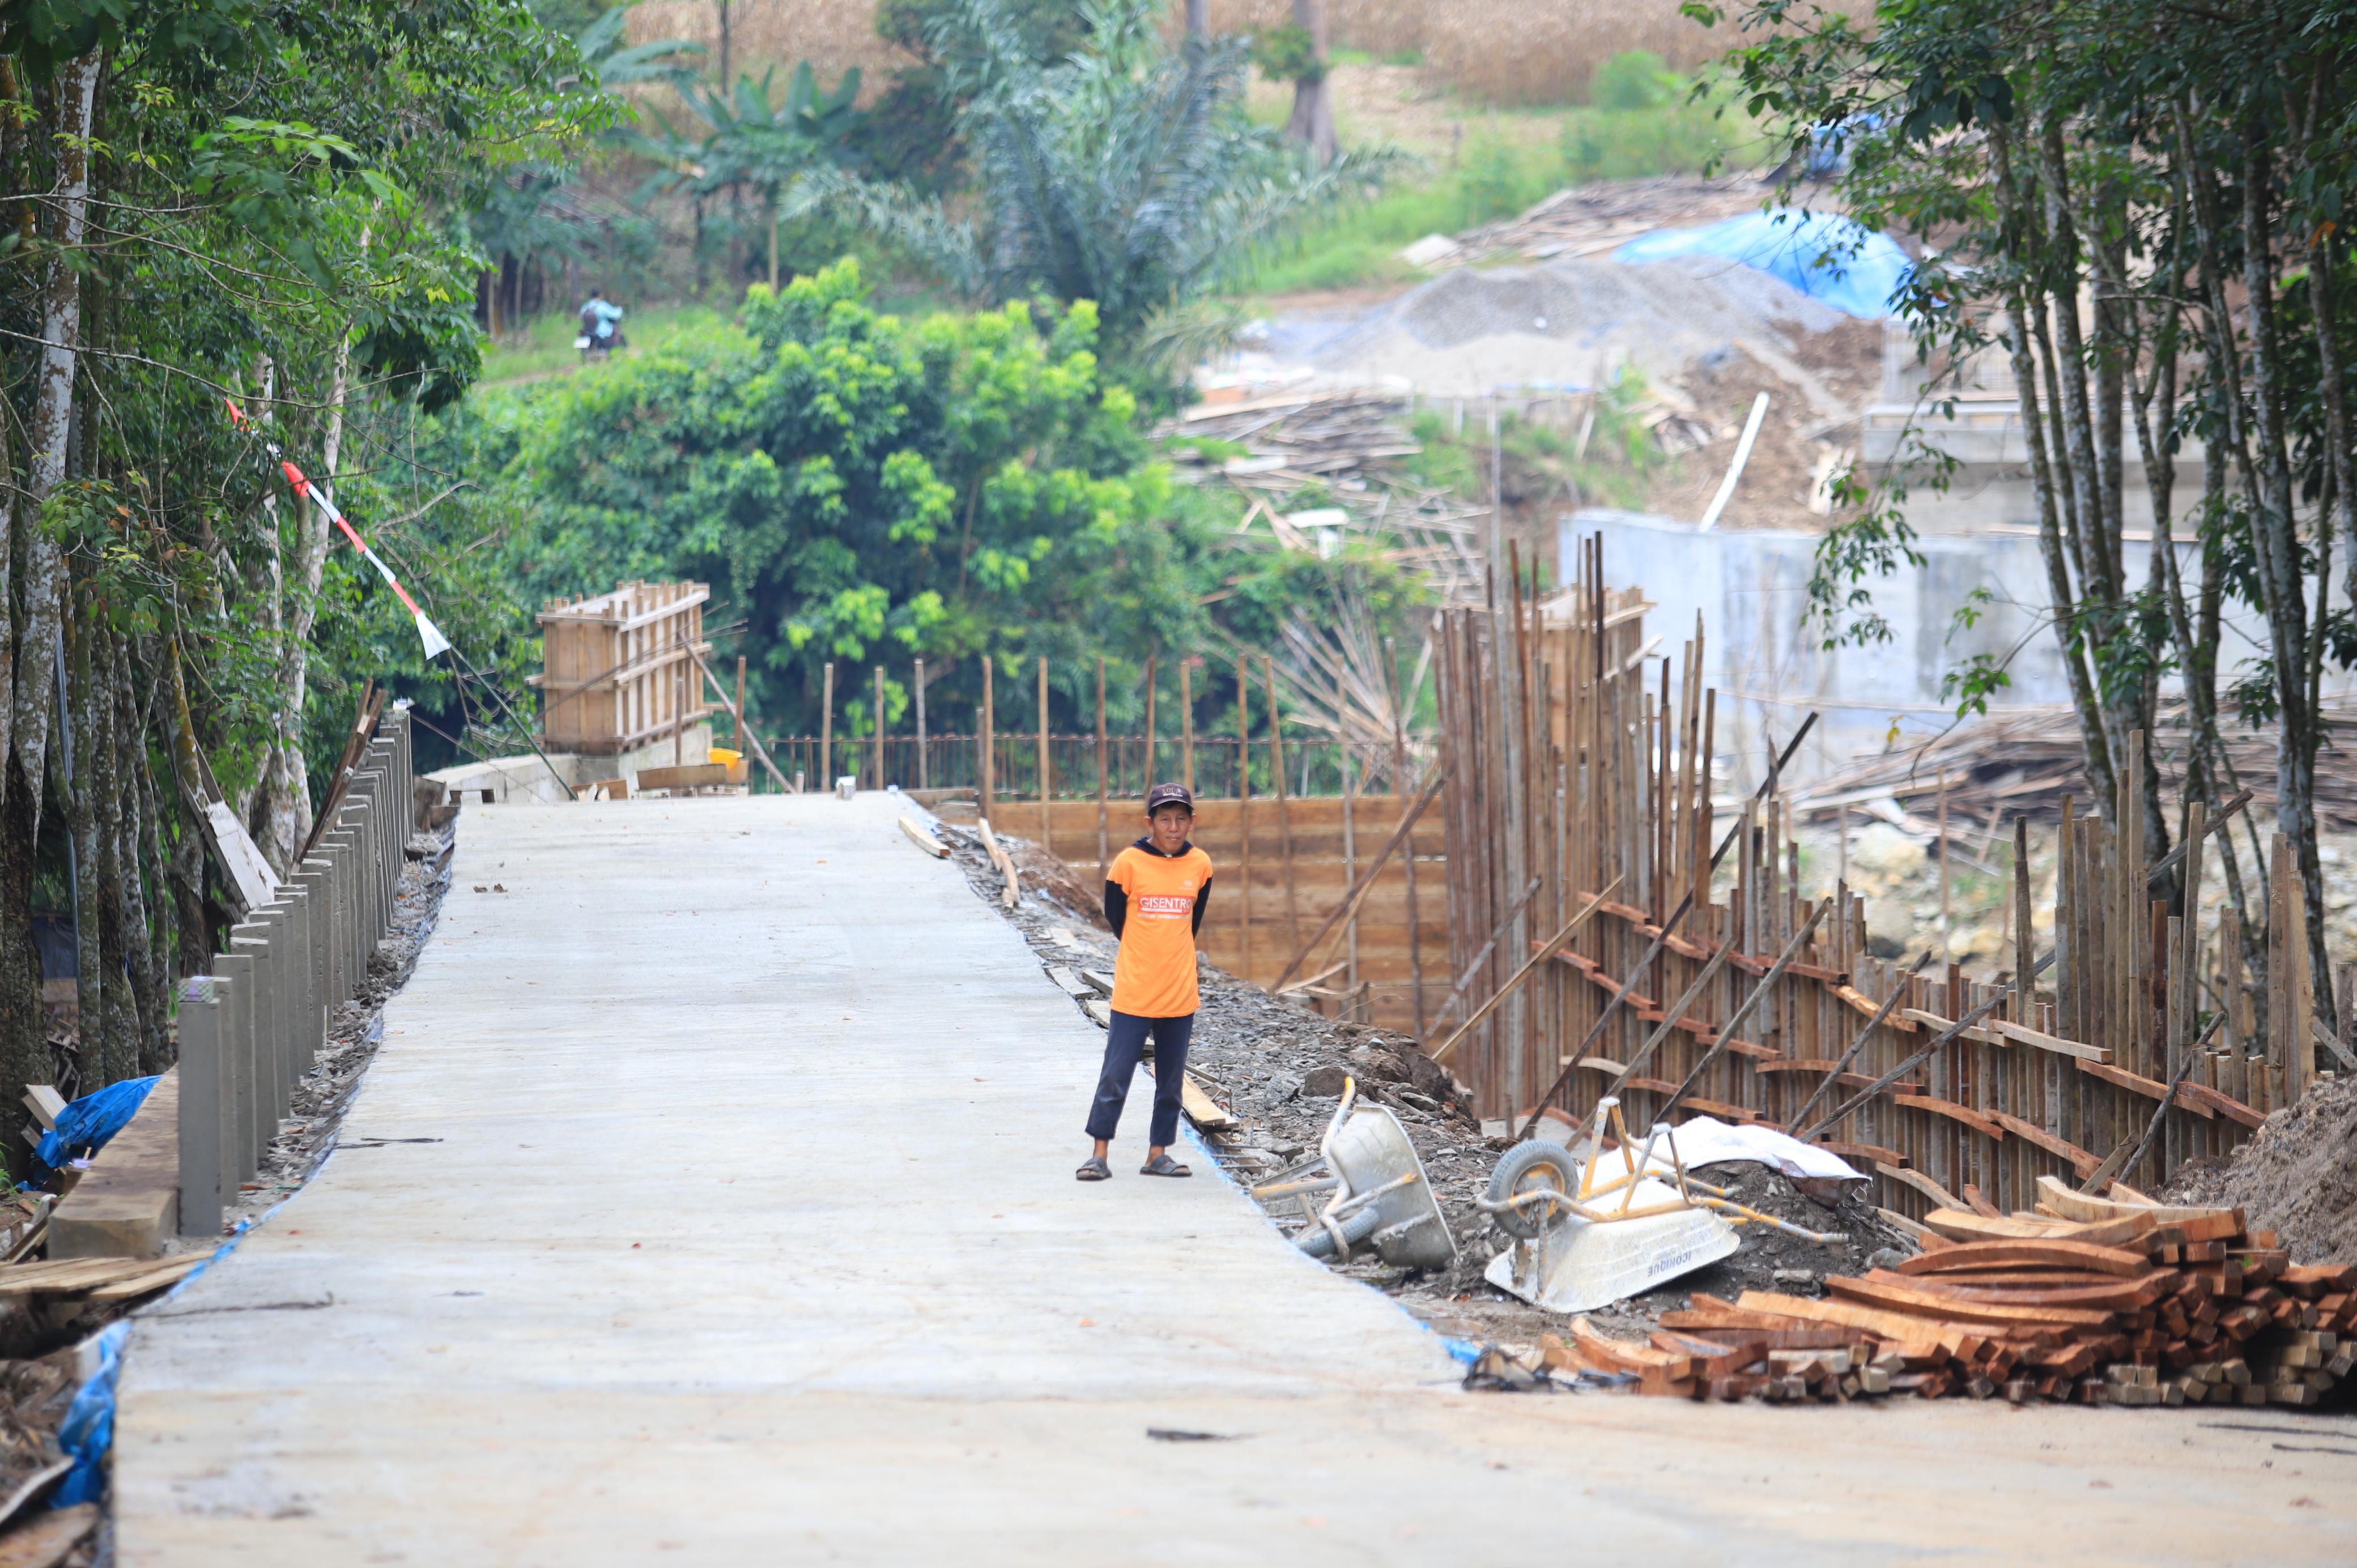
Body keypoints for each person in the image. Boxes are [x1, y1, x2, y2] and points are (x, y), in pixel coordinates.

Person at [1078, 782, 1213, 1181]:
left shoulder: (1200, 865)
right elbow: (1117, 918)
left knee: (1171, 1082)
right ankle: (1099, 1154)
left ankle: (1158, 1154)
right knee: (1115, 1075)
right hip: (1135, 992)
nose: (1173, 827)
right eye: (1165, 819)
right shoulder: (1129, 864)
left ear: (1192, 821)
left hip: (1180, 994)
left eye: (1181, 819)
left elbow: (1193, 922)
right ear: (1149, 822)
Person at [577, 288, 625, 358]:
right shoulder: (602, 306)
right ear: (600, 295)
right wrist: (620, 309)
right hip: (602, 334)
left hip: (587, 332)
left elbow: (581, 316)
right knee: (615, 332)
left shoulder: (586, 307)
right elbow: (615, 314)